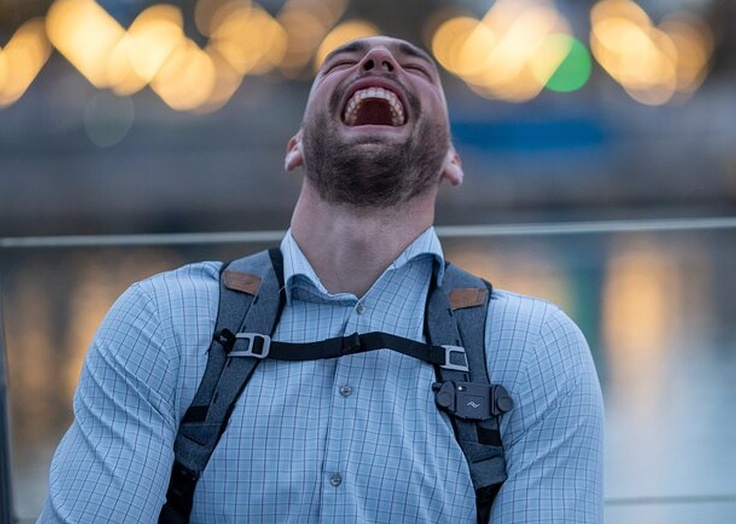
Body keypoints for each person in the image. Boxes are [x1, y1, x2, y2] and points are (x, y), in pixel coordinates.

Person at [38, 36, 604, 523]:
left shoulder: (537, 350)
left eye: (416, 67)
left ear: (452, 161)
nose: (380, 59)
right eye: (342, 61)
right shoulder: (161, 324)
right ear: (297, 148)